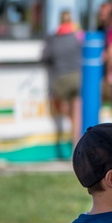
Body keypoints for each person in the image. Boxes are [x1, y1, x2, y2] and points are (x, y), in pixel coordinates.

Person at [41, 10, 83, 152]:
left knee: (66, 112)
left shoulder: (53, 37)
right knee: (76, 112)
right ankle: (76, 144)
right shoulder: (77, 36)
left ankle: (66, 142)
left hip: (60, 78)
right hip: (77, 77)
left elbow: (45, 56)